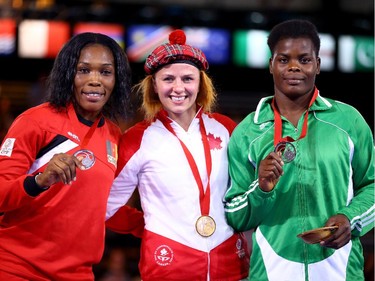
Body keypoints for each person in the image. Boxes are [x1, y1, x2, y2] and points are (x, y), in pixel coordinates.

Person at [223, 19, 375, 281]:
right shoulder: (248, 132)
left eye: (304, 60)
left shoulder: (348, 121)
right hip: (270, 271)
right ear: (271, 65)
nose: (294, 66)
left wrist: (350, 218)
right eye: (284, 60)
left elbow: (372, 185)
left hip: (340, 270)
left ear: (318, 64)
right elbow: (235, 215)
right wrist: (260, 188)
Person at [106, 29, 250, 281]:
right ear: (154, 85)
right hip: (168, 265)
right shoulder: (137, 139)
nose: (178, 88)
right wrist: (146, 225)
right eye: (168, 79)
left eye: (187, 79)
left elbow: (246, 189)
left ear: (200, 83)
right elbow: (107, 207)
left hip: (229, 263)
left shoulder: (226, 128)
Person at [0, 32, 136, 280]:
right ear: (68, 74)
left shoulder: (115, 137)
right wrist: (39, 180)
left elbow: (104, 208)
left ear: (117, 80)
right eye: (83, 70)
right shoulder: (36, 121)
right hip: (17, 268)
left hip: (78, 274)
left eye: (105, 72)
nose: (95, 80)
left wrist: (156, 223)